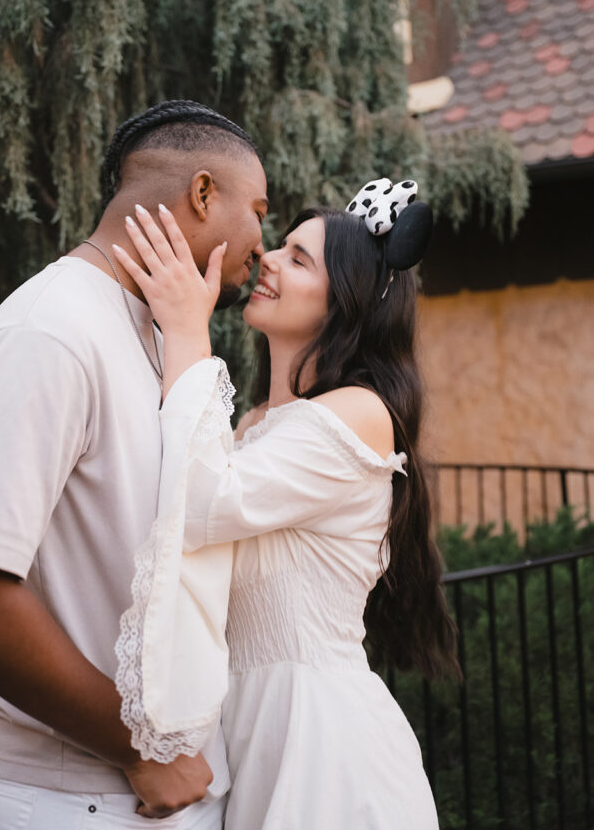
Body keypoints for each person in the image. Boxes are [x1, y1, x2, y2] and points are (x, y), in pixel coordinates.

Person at [0, 100, 268, 828]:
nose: (264, 243)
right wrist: (137, 748)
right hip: (80, 796)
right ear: (203, 193)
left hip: (158, 786)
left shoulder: (157, 333)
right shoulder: (50, 332)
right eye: (259, 210)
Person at [110, 180, 459, 829]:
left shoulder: (357, 414)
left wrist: (187, 329)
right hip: (248, 728)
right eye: (280, 248)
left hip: (322, 745)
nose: (266, 258)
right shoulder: (256, 427)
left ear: (341, 303)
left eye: (297, 259)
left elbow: (206, 503)